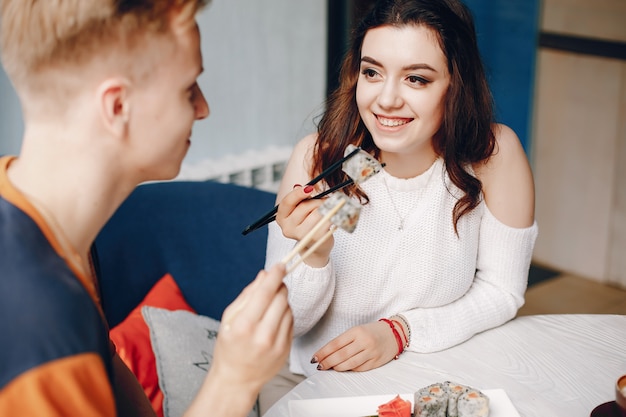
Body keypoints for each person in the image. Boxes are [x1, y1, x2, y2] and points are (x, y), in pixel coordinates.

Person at [0, 1, 292, 416]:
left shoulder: (50, 231)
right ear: (117, 107)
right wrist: (233, 381)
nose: (203, 108)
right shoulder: (40, 331)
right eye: (188, 89)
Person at [261, 0, 538, 412]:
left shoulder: (492, 158)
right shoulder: (326, 161)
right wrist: (314, 256)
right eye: (372, 72)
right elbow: (284, 329)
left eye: (416, 79)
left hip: (429, 376)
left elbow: (502, 291)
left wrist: (400, 331)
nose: (386, 100)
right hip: (312, 383)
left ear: (455, 84)